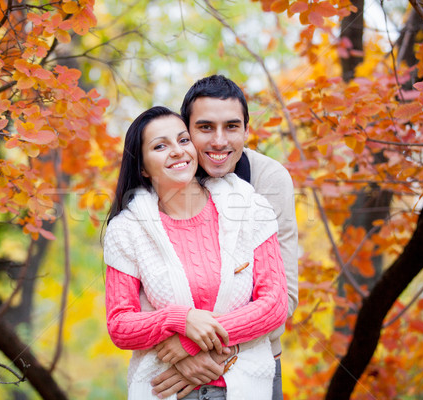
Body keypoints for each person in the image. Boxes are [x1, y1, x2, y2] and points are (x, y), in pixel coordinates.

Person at [104, 106, 288, 399]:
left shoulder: (250, 208)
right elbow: (120, 325)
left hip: (244, 384)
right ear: (142, 167)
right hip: (166, 388)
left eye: (183, 140)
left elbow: (275, 305)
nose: (177, 151)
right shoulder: (126, 229)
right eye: (160, 146)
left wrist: (191, 344)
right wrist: (180, 319)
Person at [151, 75, 299, 400]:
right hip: (170, 371)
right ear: (185, 132)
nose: (219, 141)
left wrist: (192, 344)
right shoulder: (162, 173)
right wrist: (176, 350)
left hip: (253, 364)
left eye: (232, 127)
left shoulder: (269, 179)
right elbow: (139, 291)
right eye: (205, 128)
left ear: (247, 130)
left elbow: (283, 298)